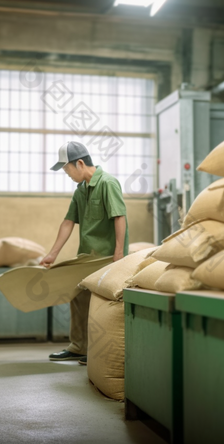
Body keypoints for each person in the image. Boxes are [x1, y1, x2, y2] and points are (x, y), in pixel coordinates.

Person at [40, 141, 129, 365]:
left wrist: (119, 253)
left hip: (108, 256)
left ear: (80, 163)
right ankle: (79, 347)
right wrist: (52, 254)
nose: (66, 173)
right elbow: (68, 222)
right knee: (78, 295)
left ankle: (98, 351)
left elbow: (119, 217)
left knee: (100, 303)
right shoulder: (80, 190)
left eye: (67, 168)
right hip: (87, 256)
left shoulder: (108, 183)